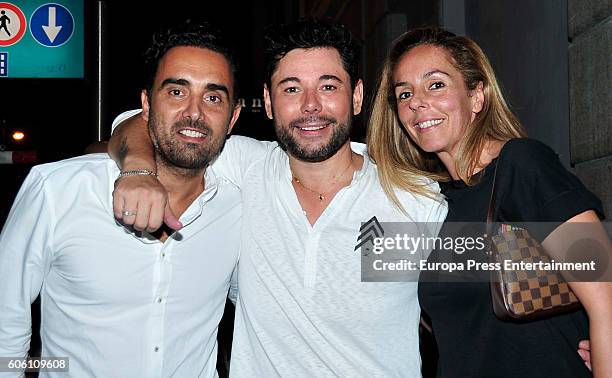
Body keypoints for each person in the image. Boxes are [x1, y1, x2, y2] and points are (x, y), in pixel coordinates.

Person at [109, 19, 447, 376]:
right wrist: (137, 170)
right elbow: (142, 123)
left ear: (357, 96)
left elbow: (498, 293)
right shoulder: (244, 168)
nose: (310, 105)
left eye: (328, 86)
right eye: (291, 89)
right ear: (268, 101)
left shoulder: (413, 198)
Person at [0, 20, 242, 377]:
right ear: (145, 104)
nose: (194, 112)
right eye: (177, 92)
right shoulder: (57, 190)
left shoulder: (240, 206)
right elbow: (5, 330)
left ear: (233, 116)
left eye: (213, 97)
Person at [367, 26, 612, 377]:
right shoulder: (435, 203)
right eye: (404, 94)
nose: (416, 102)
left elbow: (606, 299)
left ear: (476, 96)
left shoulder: (522, 165)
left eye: (436, 84)